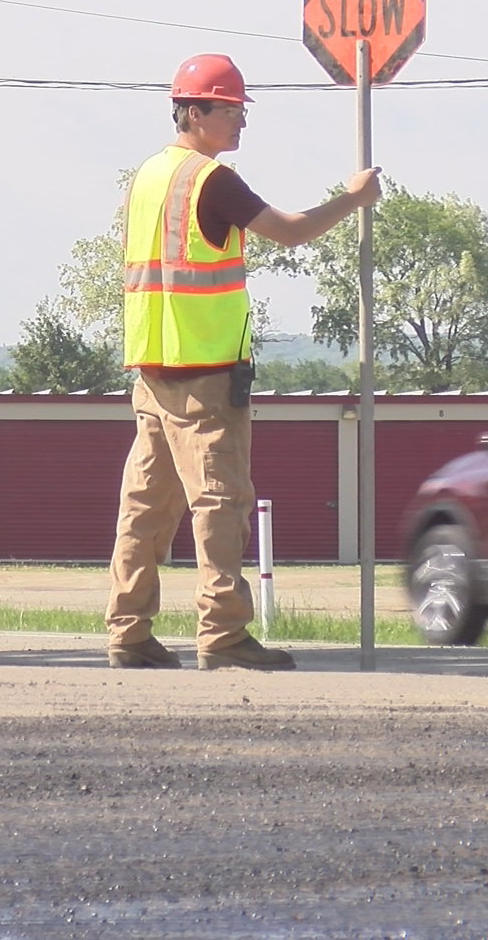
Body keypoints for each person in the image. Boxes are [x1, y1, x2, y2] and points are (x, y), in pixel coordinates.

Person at [107, 53, 381, 671]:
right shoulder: (211, 180)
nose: (240, 124)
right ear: (195, 111)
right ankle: (224, 635)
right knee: (220, 503)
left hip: (151, 369)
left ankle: (128, 631)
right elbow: (287, 231)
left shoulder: (148, 175)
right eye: (231, 111)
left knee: (145, 508)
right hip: (203, 373)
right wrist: (352, 199)